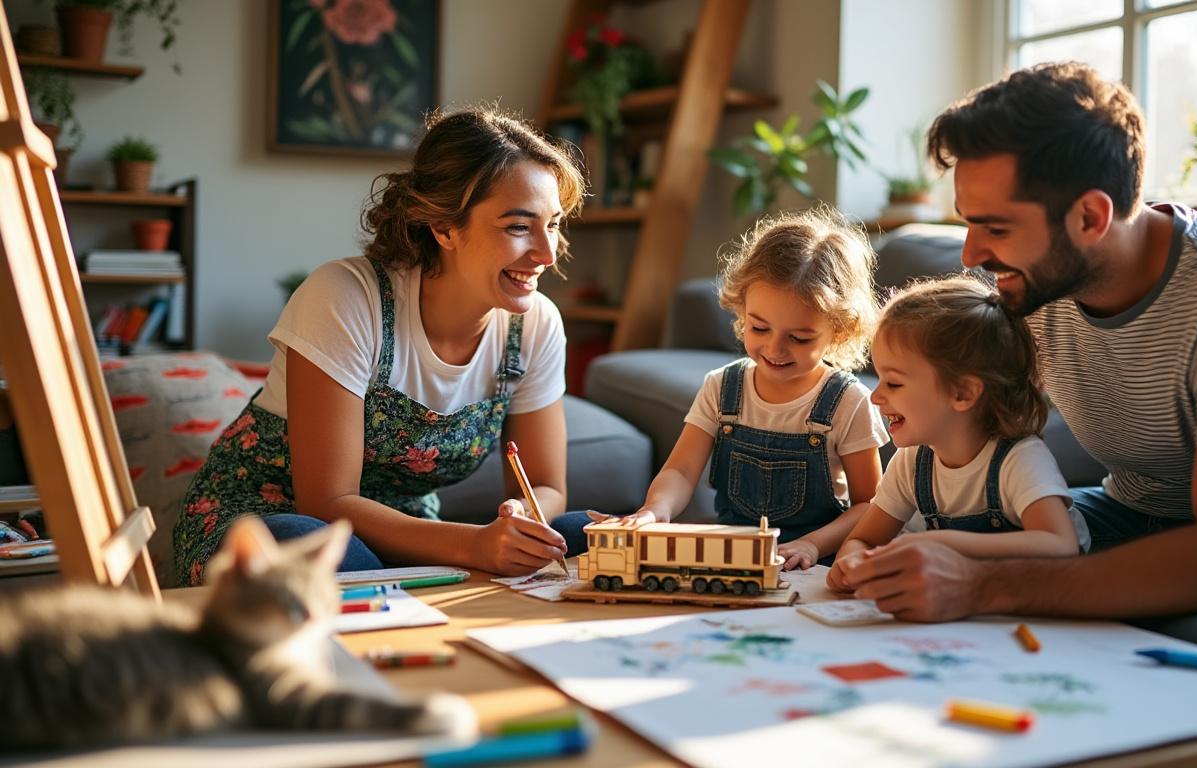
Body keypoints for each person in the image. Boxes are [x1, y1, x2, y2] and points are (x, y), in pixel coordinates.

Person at [842, 61, 1197, 671]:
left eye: (994, 227)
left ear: (1090, 217)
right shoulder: (1033, 290)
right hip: (1126, 510)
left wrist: (983, 585)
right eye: (967, 224)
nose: (972, 254)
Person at [172, 107, 584, 585]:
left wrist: (522, 518)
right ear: (445, 228)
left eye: (552, 224)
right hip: (273, 528)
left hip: (415, 539)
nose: (547, 253)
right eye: (518, 227)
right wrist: (473, 545)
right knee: (332, 557)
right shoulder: (346, 298)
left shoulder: (536, 326)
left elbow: (549, 487)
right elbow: (326, 502)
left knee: (584, 534)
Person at [581, 205, 888, 570]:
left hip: (814, 559)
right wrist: (654, 511)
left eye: (800, 338)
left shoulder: (848, 402)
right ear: (742, 308)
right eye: (759, 328)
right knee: (574, 529)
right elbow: (680, 472)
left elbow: (869, 506)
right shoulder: (722, 387)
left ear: (838, 330)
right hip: (734, 552)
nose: (774, 349)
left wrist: (810, 545)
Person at [827, 275, 1086, 594]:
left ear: (963, 393)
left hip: (1037, 605)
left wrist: (940, 542)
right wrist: (852, 564)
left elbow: (1060, 544)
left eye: (893, 383)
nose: (875, 396)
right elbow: (863, 539)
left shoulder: (1019, 459)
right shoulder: (912, 462)